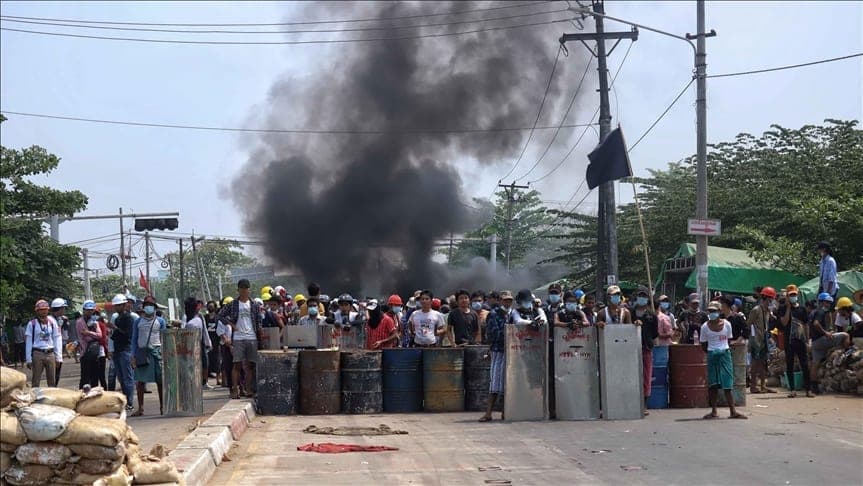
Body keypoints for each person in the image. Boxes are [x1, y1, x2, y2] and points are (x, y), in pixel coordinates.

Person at [700, 301, 747, 420]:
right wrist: (713, 352)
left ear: (719, 312)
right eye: (710, 311)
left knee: (728, 384)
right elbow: (704, 345)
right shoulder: (705, 327)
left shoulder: (727, 324)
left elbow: (729, 340)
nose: (712, 313)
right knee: (713, 384)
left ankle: (733, 411)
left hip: (725, 354)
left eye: (714, 311)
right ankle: (714, 411)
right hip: (712, 354)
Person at [218, 279, 263, 399]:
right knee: (236, 365)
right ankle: (234, 389)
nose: (244, 290)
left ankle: (248, 389)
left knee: (250, 366)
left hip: (251, 337)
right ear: (238, 290)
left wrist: (259, 333)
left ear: (249, 289)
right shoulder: (233, 304)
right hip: (238, 338)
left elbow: (259, 321)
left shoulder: (254, 304)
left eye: (246, 288)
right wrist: (231, 325)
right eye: (242, 288)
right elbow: (220, 315)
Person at [479, 291, 513, 422]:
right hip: (498, 351)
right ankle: (488, 413)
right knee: (495, 381)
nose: (508, 303)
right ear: (500, 300)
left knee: (508, 383)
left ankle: (505, 412)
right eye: (505, 300)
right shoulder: (494, 314)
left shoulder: (512, 314)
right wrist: (510, 335)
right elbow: (493, 334)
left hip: (511, 351)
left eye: (510, 300)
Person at [131, 296, 166, 416]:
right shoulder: (138, 321)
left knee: (160, 380)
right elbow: (134, 339)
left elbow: (164, 338)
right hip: (142, 352)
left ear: (155, 307)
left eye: (150, 305)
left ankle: (163, 406)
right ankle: (140, 408)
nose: (148, 307)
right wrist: (133, 355)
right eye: (146, 305)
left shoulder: (160, 321)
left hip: (157, 352)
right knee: (140, 381)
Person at [809, 292, 851, 394]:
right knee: (846, 335)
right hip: (821, 340)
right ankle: (846, 354)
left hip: (815, 342)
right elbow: (816, 324)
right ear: (821, 302)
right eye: (826, 302)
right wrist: (826, 333)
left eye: (829, 303)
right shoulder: (821, 312)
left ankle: (813, 387)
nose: (827, 304)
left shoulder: (813, 312)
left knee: (815, 364)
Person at [776, 285, 812, 397]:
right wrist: (787, 307)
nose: (793, 296)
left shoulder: (802, 309)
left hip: (801, 340)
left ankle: (808, 390)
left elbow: (806, 325)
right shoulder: (782, 309)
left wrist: (807, 340)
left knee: (805, 365)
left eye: (794, 294)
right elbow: (784, 323)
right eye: (790, 295)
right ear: (787, 296)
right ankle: (792, 390)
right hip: (789, 341)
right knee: (790, 365)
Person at [107, 294, 138, 410]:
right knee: (121, 377)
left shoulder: (129, 318)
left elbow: (127, 335)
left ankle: (129, 402)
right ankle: (125, 400)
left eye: (119, 305)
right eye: (116, 306)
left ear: (124, 305)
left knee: (127, 377)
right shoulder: (117, 318)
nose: (117, 308)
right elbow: (115, 337)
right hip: (118, 350)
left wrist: (115, 329)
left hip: (126, 350)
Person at [632, 287, 658, 415]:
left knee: (646, 375)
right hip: (630, 348)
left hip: (646, 347)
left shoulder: (651, 315)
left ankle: (644, 404)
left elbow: (654, 333)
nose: (641, 298)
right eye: (640, 296)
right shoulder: (630, 312)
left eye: (644, 296)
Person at [25, 299, 62, 388]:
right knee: (36, 380)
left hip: (50, 353)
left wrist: (58, 357)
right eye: (41, 310)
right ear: (37, 311)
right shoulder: (32, 324)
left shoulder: (52, 322)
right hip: (37, 353)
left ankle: (52, 399)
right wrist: (28, 359)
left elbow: (57, 339)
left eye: (45, 309)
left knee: (52, 381)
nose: (44, 312)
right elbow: (29, 341)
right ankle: (35, 398)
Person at [747, 287, 776, 394]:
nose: (772, 302)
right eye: (771, 299)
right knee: (755, 364)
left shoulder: (768, 311)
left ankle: (763, 386)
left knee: (764, 363)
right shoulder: (756, 310)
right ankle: (753, 386)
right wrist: (753, 339)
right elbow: (748, 325)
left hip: (764, 340)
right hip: (756, 340)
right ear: (766, 298)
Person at [183, 297, 214, 390]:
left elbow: (204, 330)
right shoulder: (187, 318)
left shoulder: (199, 317)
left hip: (200, 342)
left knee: (204, 363)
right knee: (192, 364)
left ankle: (204, 382)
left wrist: (208, 342)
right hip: (189, 344)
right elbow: (183, 328)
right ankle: (193, 382)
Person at [76, 300, 103, 389]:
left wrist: (89, 333)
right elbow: (84, 336)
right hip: (85, 352)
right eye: (87, 310)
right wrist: (92, 334)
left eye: (91, 310)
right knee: (85, 378)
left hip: (95, 352)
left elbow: (100, 335)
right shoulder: (80, 322)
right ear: (84, 310)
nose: (89, 312)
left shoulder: (95, 321)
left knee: (95, 377)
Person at [49, 298, 71, 384]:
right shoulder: (49, 320)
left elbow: (64, 335)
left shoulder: (62, 319)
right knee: (52, 374)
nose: (64, 310)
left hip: (58, 347)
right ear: (59, 308)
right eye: (63, 308)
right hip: (50, 349)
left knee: (57, 374)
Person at [204, 301, 222, 386]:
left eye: (212, 306)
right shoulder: (205, 317)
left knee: (217, 361)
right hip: (207, 342)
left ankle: (218, 379)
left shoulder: (218, 317)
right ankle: (206, 380)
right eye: (209, 306)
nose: (210, 308)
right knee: (207, 361)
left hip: (216, 341)